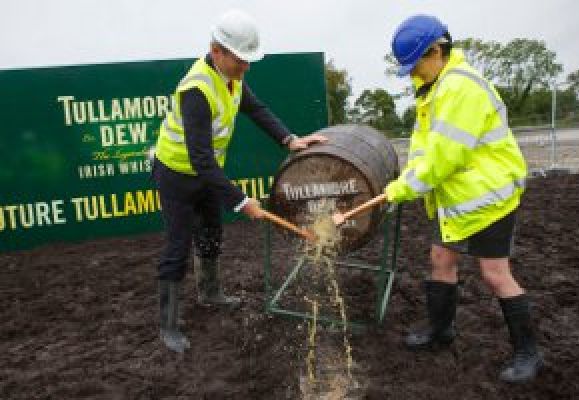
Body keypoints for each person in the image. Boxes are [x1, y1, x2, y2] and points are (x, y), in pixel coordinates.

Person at [337, 15, 542, 383]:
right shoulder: (432, 90)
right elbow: (422, 150)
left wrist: (397, 192)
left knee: (495, 275)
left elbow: (445, 157)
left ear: (437, 50)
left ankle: (529, 353)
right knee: (440, 258)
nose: (413, 74)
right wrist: (406, 180)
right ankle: (440, 330)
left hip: (487, 197)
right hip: (454, 198)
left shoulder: (461, 89)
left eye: (415, 65)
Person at [151, 9, 327, 354]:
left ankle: (210, 292)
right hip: (175, 176)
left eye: (249, 60)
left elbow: (257, 109)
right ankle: (168, 326)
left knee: (212, 235)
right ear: (217, 50)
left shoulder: (232, 79)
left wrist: (289, 139)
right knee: (177, 248)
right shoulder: (196, 90)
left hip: (205, 175)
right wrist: (241, 201)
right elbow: (200, 159)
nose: (247, 67)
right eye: (241, 59)